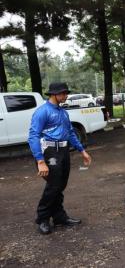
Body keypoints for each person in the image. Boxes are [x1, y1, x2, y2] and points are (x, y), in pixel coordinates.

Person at [28, 83, 92, 235]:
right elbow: (33, 136)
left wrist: (82, 150)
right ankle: (42, 219)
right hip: (49, 152)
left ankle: (59, 217)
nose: (65, 96)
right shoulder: (42, 112)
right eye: (62, 93)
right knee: (54, 185)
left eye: (66, 93)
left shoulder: (63, 112)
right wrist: (40, 161)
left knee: (60, 185)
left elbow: (70, 133)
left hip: (63, 151)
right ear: (53, 94)